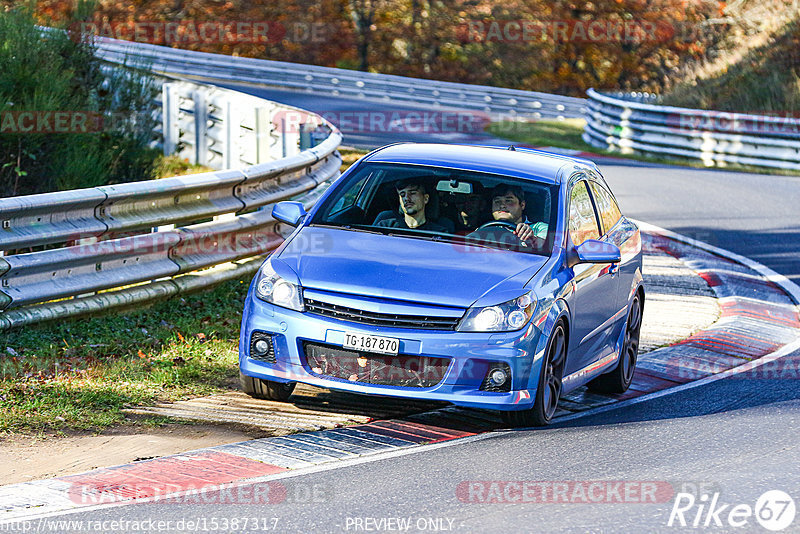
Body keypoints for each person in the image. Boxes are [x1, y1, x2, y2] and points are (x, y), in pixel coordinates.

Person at [467, 184, 548, 248]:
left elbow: (548, 246)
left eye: (508, 201)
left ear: (522, 205)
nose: (502, 206)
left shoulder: (540, 228)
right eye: (497, 201)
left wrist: (533, 240)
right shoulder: (485, 230)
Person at [374, 178, 448, 232]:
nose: (406, 198)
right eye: (402, 195)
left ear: (425, 198)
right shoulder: (385, 227)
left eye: (412, 193)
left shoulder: (439, 233)